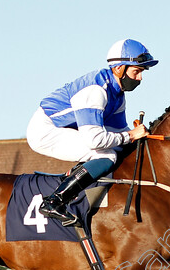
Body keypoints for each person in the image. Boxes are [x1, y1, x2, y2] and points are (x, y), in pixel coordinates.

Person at [26, 39, 157, 226]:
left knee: (117, 150)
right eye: (137, 71)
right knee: (108, 155)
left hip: (66, 128)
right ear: (119, 69)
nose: (140, 78)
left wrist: (136, 137)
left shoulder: (117, 94)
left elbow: (119, 132)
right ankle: (54, 202)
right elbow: (95, 140)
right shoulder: (96, 91)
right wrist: (131, 135)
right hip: (45, 130)